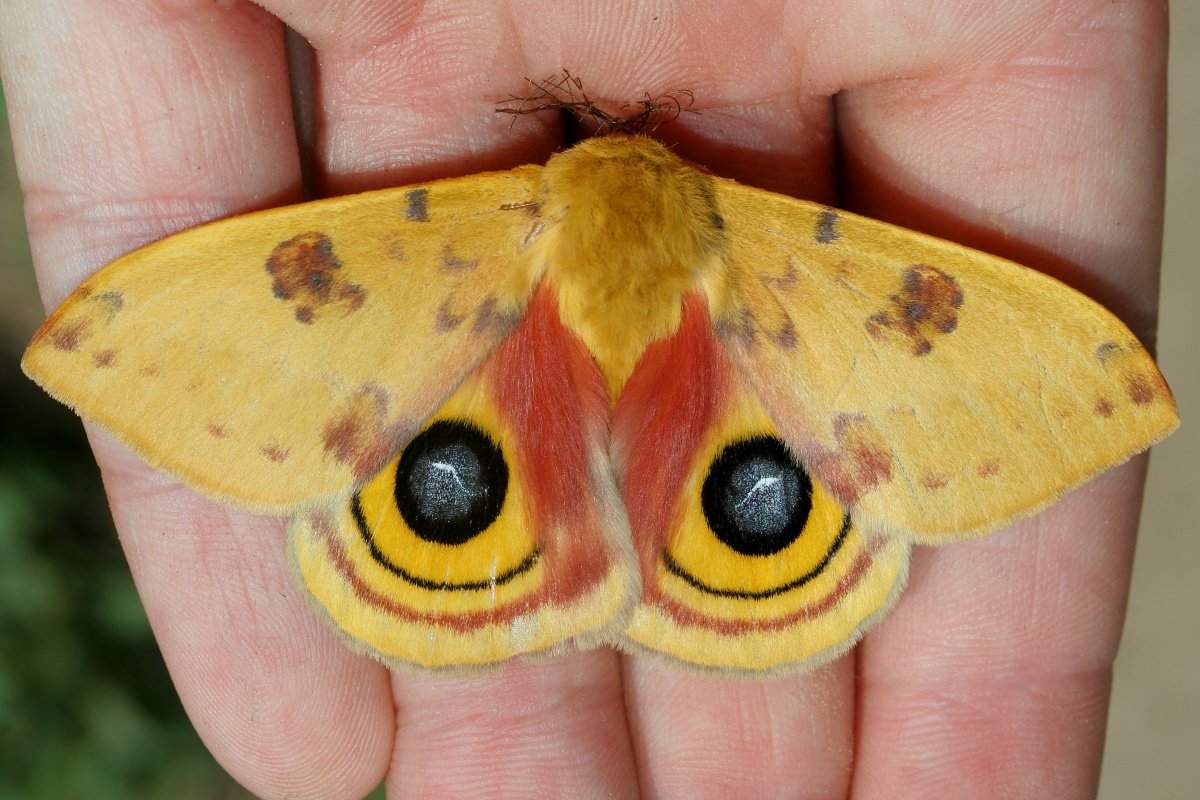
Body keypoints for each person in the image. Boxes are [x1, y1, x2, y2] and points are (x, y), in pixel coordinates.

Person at [0, 1, 1166, 797]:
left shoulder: (468, 222)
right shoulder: (781, 241)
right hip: (732, 340)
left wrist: (1080, 384)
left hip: (506, 338)